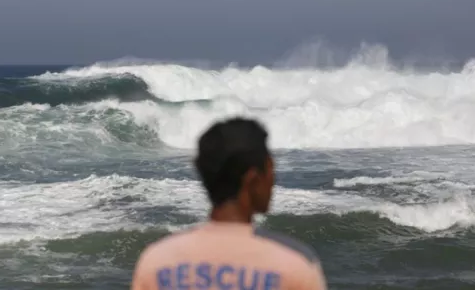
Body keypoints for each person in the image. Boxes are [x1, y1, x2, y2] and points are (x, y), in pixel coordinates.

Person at [131, 117, 328, 290]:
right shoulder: (294, 265)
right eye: (269, 169)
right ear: (253, 180)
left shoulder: (157, 261)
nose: (273, 179)